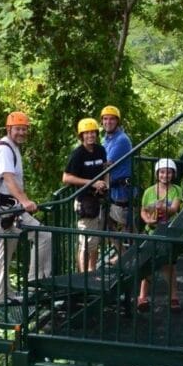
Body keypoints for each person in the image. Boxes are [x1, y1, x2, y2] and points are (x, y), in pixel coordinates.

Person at [0, 111, 52, 305]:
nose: (22, 132)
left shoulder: (12, 148)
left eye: (24, 129)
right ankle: (32, 285)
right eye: (18, 129)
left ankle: (5, 293)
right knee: (43, 236)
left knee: (7, 249)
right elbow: (8, 178)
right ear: (9, 129)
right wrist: (25, 201)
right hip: (6, 208)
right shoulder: (4, 150)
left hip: (10, 206)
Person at [137, 159, 183, 313]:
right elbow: (143, 210)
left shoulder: (176, 190)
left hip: (168, 231)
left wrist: (162, 206)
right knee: (147, 266)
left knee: (169, 266)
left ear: (173, 174)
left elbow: (174, 209)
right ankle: (142, 297)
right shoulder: (149, 191)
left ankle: (173, 297)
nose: (165, 175)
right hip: (152, 230)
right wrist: (147, 219)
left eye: (169, 172)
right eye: (162, 172)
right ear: (158, 174)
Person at [62, 117, 108, 272]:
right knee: (86, 242)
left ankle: (92, 271)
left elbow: (105, 169)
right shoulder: (78, 154)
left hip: (99, 199)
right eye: (87, 133)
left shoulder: (100, 150)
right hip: (85, 201)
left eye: (93, 132)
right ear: (81, 135)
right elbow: (66, 178)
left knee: (95, 241)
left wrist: (105, 183)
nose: (90, 136)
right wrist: (92, 182)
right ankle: (82, 277)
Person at [100, 104, 133, 233]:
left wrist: (85, 166)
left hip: (122, 191)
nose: (108, 122)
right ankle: (123, 252)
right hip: (111, 189)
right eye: (105, 119)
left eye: (112, 119)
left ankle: (132, 252)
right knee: (107, 227)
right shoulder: (106, 139)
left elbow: (106, 163)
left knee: (126, 227)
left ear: (117, 121)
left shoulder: (121, 140)